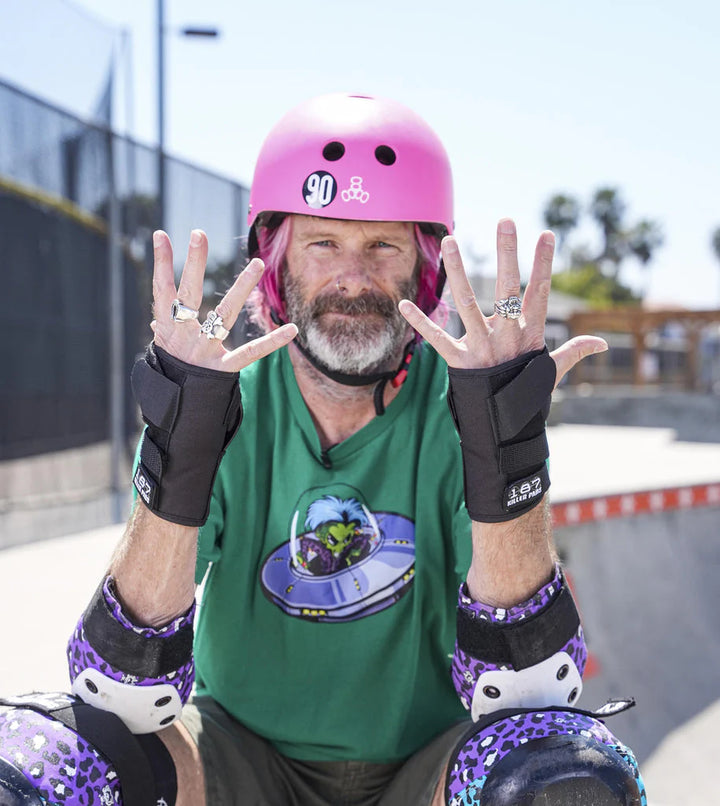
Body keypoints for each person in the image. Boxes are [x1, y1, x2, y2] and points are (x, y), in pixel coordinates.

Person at [0, 93, 646, 805]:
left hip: (424, 765)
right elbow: (123, 691)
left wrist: (508, 455)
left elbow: (527, 688)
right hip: (236, 756)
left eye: (382, 246)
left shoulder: (466, 407)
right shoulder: (222, 399)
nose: (353, 276)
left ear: (425, 270)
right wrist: (178, 458)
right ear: (275, 265)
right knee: (46, 767)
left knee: (563, 779)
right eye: (323, 243)